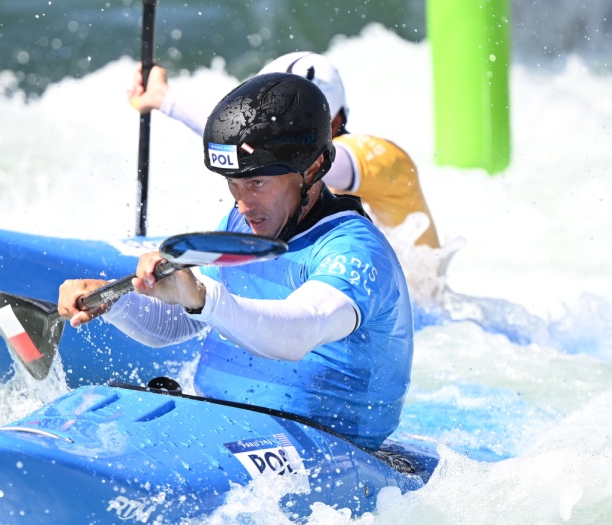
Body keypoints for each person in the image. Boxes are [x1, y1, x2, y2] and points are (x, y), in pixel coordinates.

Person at [59, 73, 413, 449]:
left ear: (312, 169)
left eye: (258, 183)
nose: (243, 205)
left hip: (331, 450)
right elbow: (180, 324)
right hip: (226, 426)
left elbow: (300, 332)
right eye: (233, 183)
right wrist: (114, 302)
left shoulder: (354, 249)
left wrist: (201, 295)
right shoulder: (241, 224)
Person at [128, 52, 441, 249]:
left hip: (418, 303)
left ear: (332, 122)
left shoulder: (378, 157)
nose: (276, 135)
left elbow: (257, 148)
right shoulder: (292, 172)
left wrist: (168, 100)